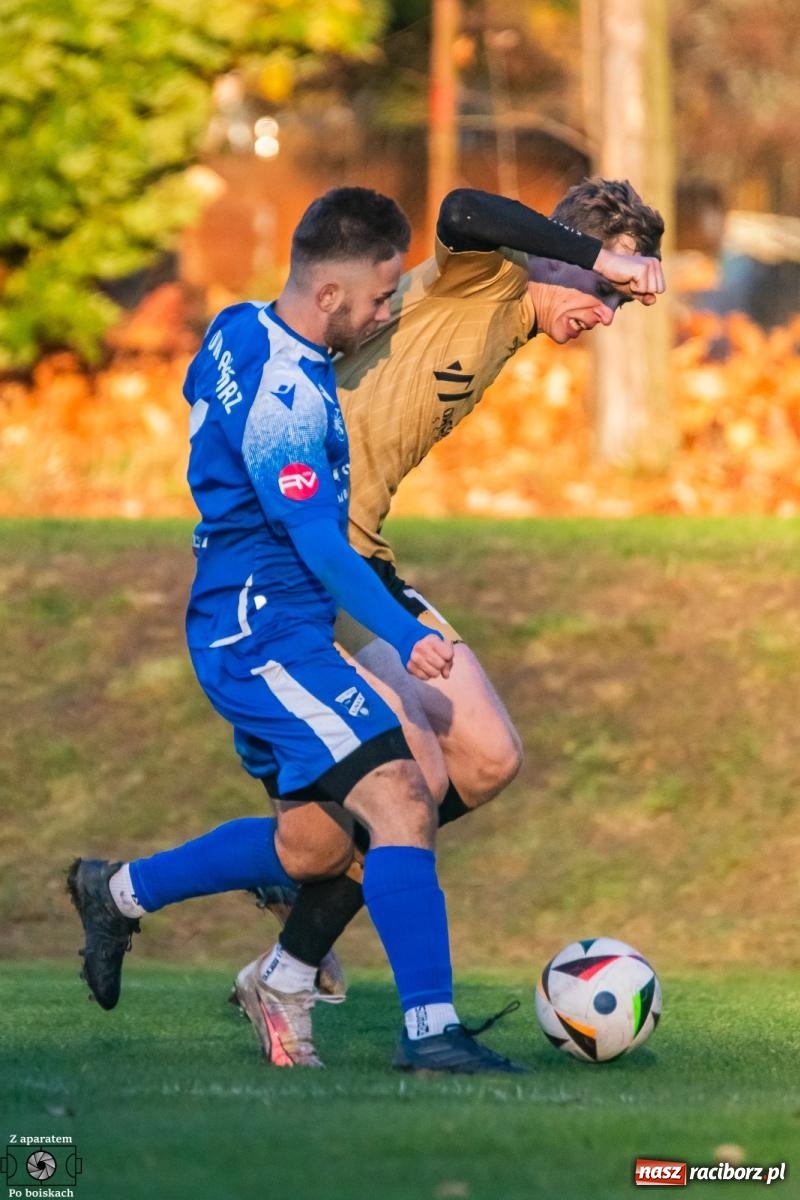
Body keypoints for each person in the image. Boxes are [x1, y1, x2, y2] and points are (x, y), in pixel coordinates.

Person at [69, 180, 665, 1070]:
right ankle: (348, 995)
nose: (608, 312)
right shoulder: (490, 278)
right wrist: (601, 258)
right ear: (557, 252)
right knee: (396, 796)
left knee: (469, 767)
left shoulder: (513, 321)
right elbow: (463, 206)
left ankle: (134, 896)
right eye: (606, 294)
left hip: (357, 552)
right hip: (305, 566)